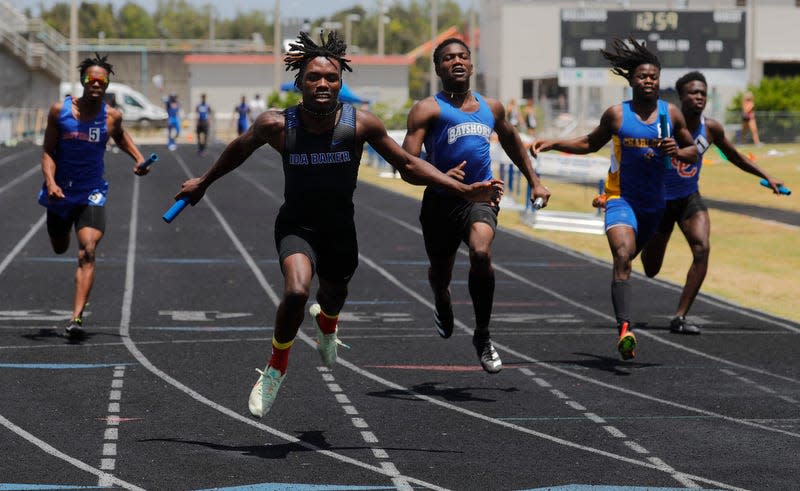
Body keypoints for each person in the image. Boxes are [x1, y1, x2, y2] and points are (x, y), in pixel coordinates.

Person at [172, 31, 503, 418]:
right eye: (314, 77)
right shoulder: (277, 125)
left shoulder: (360, 124)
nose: (323, 83)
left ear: (341, 83)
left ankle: (327, 324)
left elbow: (409, 165)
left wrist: (461, 190)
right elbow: (238, 150)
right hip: (296, 225)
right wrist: (203, 183)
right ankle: (276, 368)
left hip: (340, 233)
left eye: (331, 78)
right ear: (301, 83)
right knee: (296, 291)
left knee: (332, 296)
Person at [532, 38, 697, 360]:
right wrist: (554, 143)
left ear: (658, 80)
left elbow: (692, 151)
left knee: (644, 264)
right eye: (642, 76)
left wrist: (676, 151)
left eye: (653, 77)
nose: (648, 81)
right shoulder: (617, 115)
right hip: (620, 198)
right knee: (622, 255)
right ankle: (625, 328)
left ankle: (628, 307)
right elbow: (590, 143)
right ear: (631, 80)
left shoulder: (672, 114)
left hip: (655, 205)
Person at [403, 38, 550, 374]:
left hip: (482, 197)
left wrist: (535, 181)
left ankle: (482, 335)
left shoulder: (492, 108)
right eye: (449, 58)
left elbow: (512, 141)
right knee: (441, 272)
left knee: (481, 253)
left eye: (463, 57)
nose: (457, 62)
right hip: (441, 202)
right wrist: (440, 175)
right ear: (439, 68)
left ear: (472, 65)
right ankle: (441, 298)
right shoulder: (427, 109)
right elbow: (407, 166)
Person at [640, 71, 785, 335]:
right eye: (693, 92)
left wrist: (767, 176)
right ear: (682, 96)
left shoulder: (711, 128)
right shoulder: (667, 123)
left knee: (702, 248)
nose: (699, 97)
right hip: (660, 202)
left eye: (703, 93)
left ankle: (680, 317)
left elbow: (736, 157)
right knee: (651, 269)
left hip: (688, 198)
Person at [38, 53, 150, 338]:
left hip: (92, 192)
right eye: (91, 78)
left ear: (108, 82)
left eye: (102, 79)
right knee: (59, 246)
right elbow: (48, 151)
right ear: (82, 81)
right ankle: (59, 223)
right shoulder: (59, 112)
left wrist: (137, 158)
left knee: (87, 249)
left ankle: (76, 319)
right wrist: (50, 181)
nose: (96, 83)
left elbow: (121, 136)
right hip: (60, 193)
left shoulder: (111, 116)